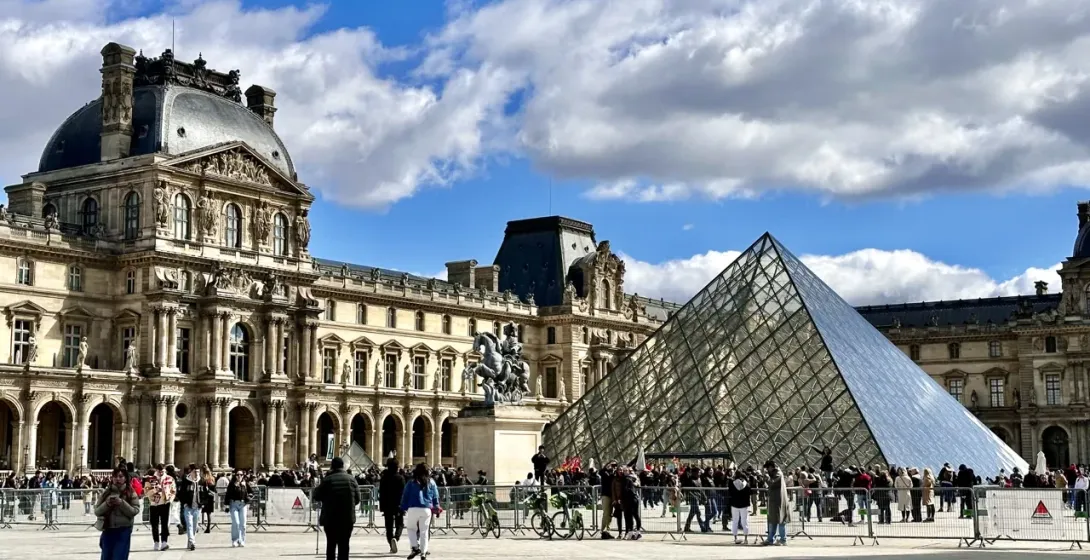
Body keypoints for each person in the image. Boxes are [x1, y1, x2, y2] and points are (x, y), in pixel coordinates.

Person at [313, 457, 360, 560]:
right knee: (344, 545)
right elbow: (357, 499)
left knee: (331, 545)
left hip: (330, 518)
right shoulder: (351, 479)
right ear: (342, 466)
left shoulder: (328, 480)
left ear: (332, 466)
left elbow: (316, 496)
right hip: (347, 518)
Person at [95, 467, 141, 560]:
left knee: (119, 556)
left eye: (121, 476)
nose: (118, 479)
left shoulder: (130, 492)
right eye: (115, 476)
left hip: (123, 530)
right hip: (108, 529)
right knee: (106, 557)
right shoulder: (106, 493)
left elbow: (135, 511)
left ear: (125, 478)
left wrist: (121, 503)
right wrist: (107, 504)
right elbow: (97, 511)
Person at [400, 463, 440, 560]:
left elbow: (405, 496)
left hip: (413, 508)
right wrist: (436, 507)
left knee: (411, 529)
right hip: (426, 509)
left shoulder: (411, 482)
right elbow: (435, 496)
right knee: (424, 531)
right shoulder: (431, 482)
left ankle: (415, 547)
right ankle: (423, 552)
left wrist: (403, 507)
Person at [145, 463, 176, 551]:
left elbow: (173, 490)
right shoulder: (150, 479)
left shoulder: (170, 478)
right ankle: (156, 542)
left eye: (162, 471)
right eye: (159, 471)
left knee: (164, 523)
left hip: (165, 503)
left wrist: (170, 499)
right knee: (154, 524)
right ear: (156, 471)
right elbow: (146, 492)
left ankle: (164, 542)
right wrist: (155, 490)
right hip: (154, 504)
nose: (161, 473)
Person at [379, 458, 406, 553]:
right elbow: (403, 493)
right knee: (400, 524)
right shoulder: (400, 478)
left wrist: (381, 506)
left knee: (388, 526)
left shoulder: (383, 478)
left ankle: (391, 544)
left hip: (387, 505)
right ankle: (396, 537)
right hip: (398, 504)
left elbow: (381, 493)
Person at [176, 464, 205, 551]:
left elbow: (205, 494)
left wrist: (203, 503)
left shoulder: (202, 481)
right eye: (195, 472)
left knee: (195, 526)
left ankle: (190, 541)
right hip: (188, 506)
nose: (196, 473)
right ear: (191, 472)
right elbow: (181, 493)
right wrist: (184, 503)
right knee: (189, 524)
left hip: (197, 507)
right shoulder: (186, 481)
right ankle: (192, 542)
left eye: (198, 472)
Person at [762, 461, 789, 546]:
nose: (767, 470)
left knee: (780, 520)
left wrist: (766, 477)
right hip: (774, 500)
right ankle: (770, 539)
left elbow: (771, 482)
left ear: (771, 467)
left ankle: (783, 539)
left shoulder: (778, 474)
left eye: (767, 468)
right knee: (772, 520)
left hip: (779, 500)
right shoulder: (775, 473)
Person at [225, 470, 254, 547]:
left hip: (243, 504)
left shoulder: (245, 483)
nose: (239, 476)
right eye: (237, 475)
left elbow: (251, 492)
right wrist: (227, 505)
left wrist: (248, 498)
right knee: (236, 522)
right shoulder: (232, 484)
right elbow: (228, 494)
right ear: (235, 475)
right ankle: (235, 540)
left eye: (241, 475)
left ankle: (242, 540)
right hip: (233, 503)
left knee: (243, 523)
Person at [727, 469, 752, 544]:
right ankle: (746, 539)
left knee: (735, 521)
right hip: (744, 505)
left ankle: (735, 538)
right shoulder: (746, 484)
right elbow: (750, 492)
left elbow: (730, 492)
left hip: (734, 504)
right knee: (744, 521)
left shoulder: (732, 483)